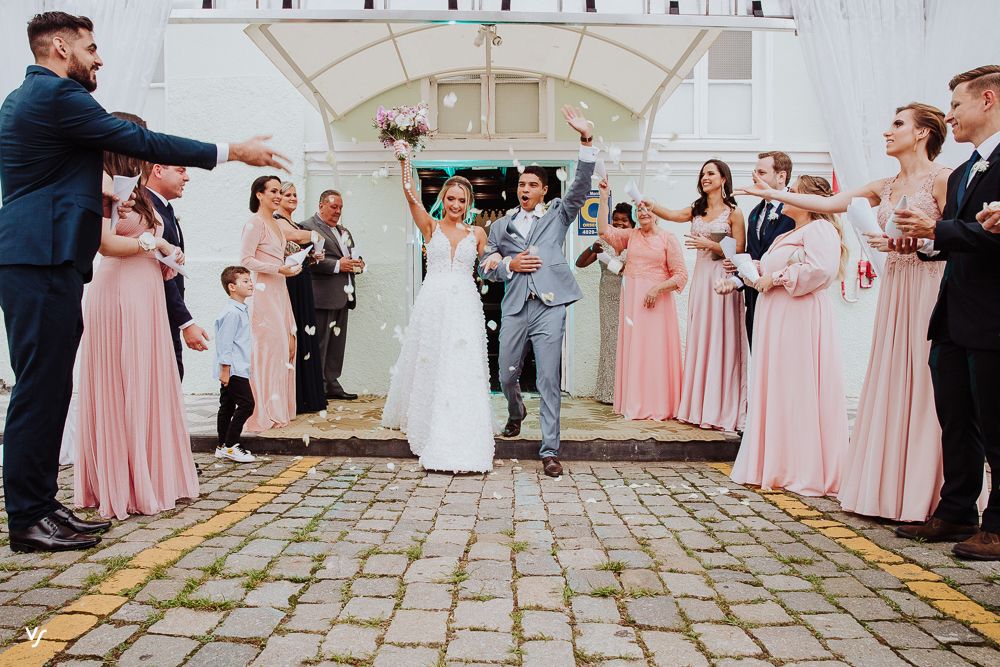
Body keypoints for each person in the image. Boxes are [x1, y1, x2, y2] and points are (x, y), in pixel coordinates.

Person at [0, 11, 287, 552]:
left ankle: (41, 506)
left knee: (51, 387)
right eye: (90, 48)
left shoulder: (31, 100)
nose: (99, 58)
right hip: (40, 260)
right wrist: (230, 152)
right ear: (60, 46)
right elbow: (138, 139)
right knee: (40, 389)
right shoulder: (56, 96)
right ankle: (28, 517)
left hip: (44, 259)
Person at [739, 105, 952, 522]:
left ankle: (931, 491)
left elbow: (956, 235)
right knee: (893, 375)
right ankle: (889, 490)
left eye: (897, 124)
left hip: (930, 284)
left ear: (923, 133)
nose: (887, 131)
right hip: (897, 285)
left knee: (927, 379)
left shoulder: (944, 179)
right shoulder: (884, 185)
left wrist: (924, 242)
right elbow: (829, 203)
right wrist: (774, 194)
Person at [891, 65, 1000, 560]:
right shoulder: (959, 173)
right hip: (953, 315)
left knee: (996, 422)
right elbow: (958, 236)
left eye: (956, 104)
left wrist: (940, 231)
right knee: (955, 418)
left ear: (987, 100)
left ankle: (997, 525)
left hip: (993, 316)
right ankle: (956, 510)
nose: (949, 115)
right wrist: (926, 241)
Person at [74, 113, 199, 520]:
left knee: (149, 379)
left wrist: (167, 252)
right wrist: (153, 244)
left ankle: (153, 474)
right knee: (123, 379)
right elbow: (105, 244)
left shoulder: (138, 191)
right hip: (119, 292)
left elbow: (148, 239)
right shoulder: (101, 183)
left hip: (147, 291)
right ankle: (123, 481)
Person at [478, 106, 597, 477]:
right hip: (515, 307)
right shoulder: (501, 226)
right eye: (521, 185)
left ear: (544, 190)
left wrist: (586, 140)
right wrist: (508, 265)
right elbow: (485, 265)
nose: (525, 189)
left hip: (550, 306)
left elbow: (580, 188)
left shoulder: (558, 214)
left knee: (548, 378)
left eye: (532, 185)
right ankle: (516, 412)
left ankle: (549, 451)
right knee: (505, 375)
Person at [724, 175, 850, 496]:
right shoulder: (787, 234)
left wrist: (777, 277)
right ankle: (778, 463)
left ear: (809, 200)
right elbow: (768, 271)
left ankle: (802, 467)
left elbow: (821, 270)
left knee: (797, 384)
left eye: (791, 192)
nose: (785, 195)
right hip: (776, 317)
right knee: (779, 384)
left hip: (799, 318)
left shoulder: (819, 229)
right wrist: (745, 271)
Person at [381, 163, 495, 473]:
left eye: (462, 200)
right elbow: (409, 194)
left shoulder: (478, 233)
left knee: (461, 361)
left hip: (465, 303)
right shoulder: (430, 227)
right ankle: (428, 421)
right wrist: (404, 161)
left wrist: (499, 261)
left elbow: (488, 266)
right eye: (451, 199)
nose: (456, 205)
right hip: (433, 301)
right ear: (443, 199)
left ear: (469, 203)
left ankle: (462, 423)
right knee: (431, 358)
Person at [644, 159, 747, 432]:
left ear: (723, 178)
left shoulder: (734, 213)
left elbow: (740, 251)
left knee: (721, 337)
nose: (705, 177)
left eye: (711, 173)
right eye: (702, 174)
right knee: (701, 335)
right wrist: (651, 204)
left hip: (722, 278)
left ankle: (721, 408)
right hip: (701, 279)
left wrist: (711, 244)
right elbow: (672, 215)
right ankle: (697, 406)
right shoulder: (697, 209)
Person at [598, 181, 687, 421]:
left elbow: (681, 275)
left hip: (658, 304)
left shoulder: (668, 239)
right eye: (639, 209)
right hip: (633, 302)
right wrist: (603, 197)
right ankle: (636, 402)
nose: (643, 212)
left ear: (656, 213)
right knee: (636, 351)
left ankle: (660, 404)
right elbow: (604, 231)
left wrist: (657, 289)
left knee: (656, 351)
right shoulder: (631, 236)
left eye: (647, 208)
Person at [240, 175, 301, 432]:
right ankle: (263, 409)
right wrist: (278, 269)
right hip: (264, 293)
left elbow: (278, 257)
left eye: (279, 192)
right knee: (268, 350)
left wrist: (291, 265)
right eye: (273, 191)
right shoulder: (254, 223)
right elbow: (245, 260)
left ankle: (279, 407)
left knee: (286, 347)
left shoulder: (276, 224)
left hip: (280, 290)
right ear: (259, 194)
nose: (278, 196)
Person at [145, 163, 209, 380]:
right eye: (181, 171)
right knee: (166, 377)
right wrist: (186, 322)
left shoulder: (164, 207)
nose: (187, 177)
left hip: (168, 313)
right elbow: (161, 271)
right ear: (158, 170)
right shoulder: (147, 208)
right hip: (155, 312)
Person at [301, 190, 364, 401]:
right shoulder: (307, 227)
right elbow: (307, 260)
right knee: (319, 344)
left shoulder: (344, 230)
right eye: (333, 207)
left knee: (337, 345)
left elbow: (351, 255)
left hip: (344, 296)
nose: (338, 211)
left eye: (340, 207)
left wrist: (358, 263)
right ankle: (317, 387)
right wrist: (338, 265)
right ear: (321, 205)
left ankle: (332, 383)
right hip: (322, 297)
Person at [275, 182, 327, 414]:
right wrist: (314, 234)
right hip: (290, 283)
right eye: (288, 194)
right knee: (294, 332)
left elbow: (296, 248)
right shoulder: (278, 220)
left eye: (295, 194)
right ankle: (295, 395)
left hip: (302, 279)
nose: (293, 198)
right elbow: (291, 236)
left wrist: (313, 258)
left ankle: (307, 394)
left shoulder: (294, 222)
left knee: (307, 332)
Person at [737, 152, 796, 348]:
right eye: (754, 172)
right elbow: (752, 253)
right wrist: (736, 278)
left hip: (783, 298)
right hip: (755, 298)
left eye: (761, 172)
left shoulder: (796, 209)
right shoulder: (755, 212)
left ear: (781, 176)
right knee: (758, 356)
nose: (755, 177)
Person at [575, 202, 632, 404]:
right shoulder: (604, 239)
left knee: (630, 342)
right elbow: (580, 263)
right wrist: (592, 248)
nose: (619, 223)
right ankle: (608, 392)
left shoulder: (635, 240)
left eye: (624, 220)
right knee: (610, 341)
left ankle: (629, 392)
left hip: (630, 295)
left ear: (632, 223)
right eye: (616, 220)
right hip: (608, 296)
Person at [215, 266, 257, 463]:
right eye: (245, 281)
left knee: (228, 406)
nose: (251, 284)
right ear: (232, 287)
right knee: (247, 404)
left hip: (235, 367)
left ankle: (222, 445)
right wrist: (225, 369)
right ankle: (231, 445)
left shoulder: (240, 309)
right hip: (233, 369)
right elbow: (225, 343)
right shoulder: (232, 312)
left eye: (250, 280)